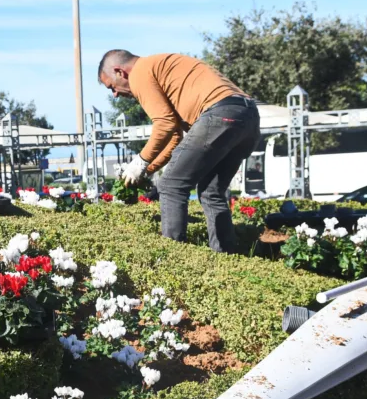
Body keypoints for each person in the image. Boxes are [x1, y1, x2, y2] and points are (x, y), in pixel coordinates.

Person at [99, 50, 260, 252]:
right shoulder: (160, 68)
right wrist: (148, 169)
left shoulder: (140, 72)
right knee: (211, 193)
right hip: (248, 116)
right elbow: (175, 136)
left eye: (111, 87)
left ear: (120, 72)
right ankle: (227, 257)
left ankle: (174, 257)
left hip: (220, 114)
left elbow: (164, 124)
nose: (115, 94)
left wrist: (140, 161)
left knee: (170, 186)